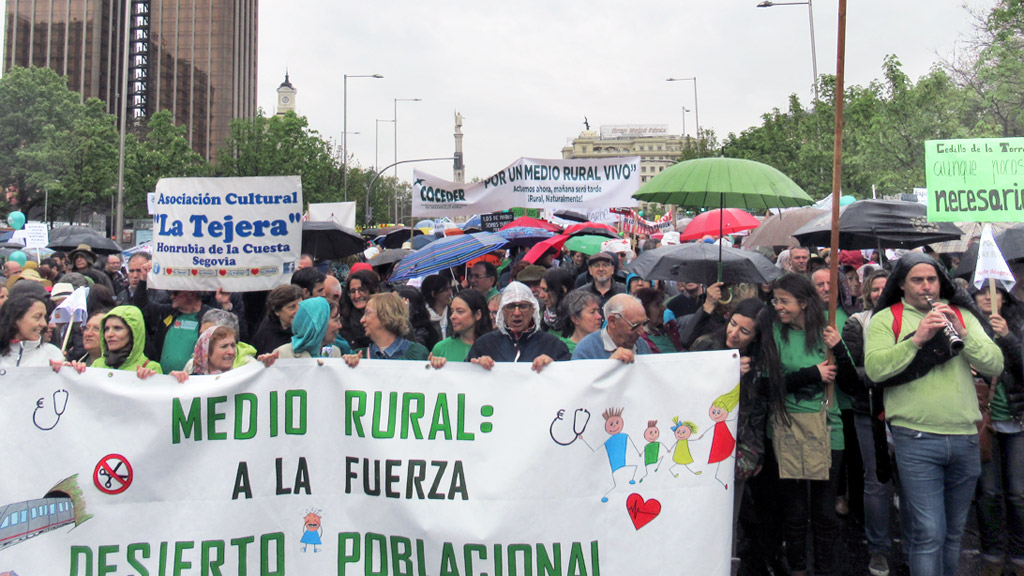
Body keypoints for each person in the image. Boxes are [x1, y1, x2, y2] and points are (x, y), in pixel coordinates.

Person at [865, 252, 1004, 576]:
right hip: (916, 438)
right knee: (929, 532)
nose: (927, 286)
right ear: (901, 284)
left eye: (932, 279)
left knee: (953, 533)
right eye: (917, 280)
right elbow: (875, 369)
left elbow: (995, 363)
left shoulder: (961, 314)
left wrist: (963, 334)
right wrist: (917, 339)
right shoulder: (888, 319)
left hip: (965, 436)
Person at [757, 272, 858, 576]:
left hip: (829, 429)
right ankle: (798, 567)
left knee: (825, 512)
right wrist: (811, 375)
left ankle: (825, 569)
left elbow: (852, 385)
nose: (778, 306)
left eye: (784, 301)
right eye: (775, 300)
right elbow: (766, 386)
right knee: (796, 509)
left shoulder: (827, 333)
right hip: (787, 428)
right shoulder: (774, 333)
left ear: (803, 303)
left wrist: (839, 347)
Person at [841, 268, 897, 576]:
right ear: (867, 292)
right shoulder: (857, 323)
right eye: (875, 289)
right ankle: (878, 549)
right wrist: (886, 370)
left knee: (911, 483)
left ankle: (918, 545)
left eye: (885, 288)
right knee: (876, 482)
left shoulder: (911, 320)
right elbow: (852, 372)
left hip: (908, 411)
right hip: (870, 411)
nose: (880, 293)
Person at [970, 284, 1024, 576]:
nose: (988, 298)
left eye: (994, 292)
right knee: (988, 492)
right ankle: (991, 554)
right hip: (983, 422)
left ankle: (1019, 556)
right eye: (981, 293)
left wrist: (1009, 337)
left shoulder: (1019, 324)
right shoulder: (967, 328)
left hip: (1017, 421)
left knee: (1018, 493)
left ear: (1005, 297)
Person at [466, 282, 570, 371]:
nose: (516, 313)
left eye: (523, 306)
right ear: (503, 311)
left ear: (533, 309)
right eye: (510, 306)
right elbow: (464, 380)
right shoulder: (484, 345)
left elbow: (570, 382)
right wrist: (476, 367)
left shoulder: (553, 345)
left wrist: (554, 367)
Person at [344, 293, 429, 362]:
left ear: (386, 316)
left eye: (368, 313)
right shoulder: (359, 356)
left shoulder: (418, 353)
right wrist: (349, 365)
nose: (362, 320)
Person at [573, 293, 651, 362]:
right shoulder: (586, 350)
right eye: (635, 326)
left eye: (643, 324)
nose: (641, 332)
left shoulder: (641, 345)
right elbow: (581, 378)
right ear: (612, 321)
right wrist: (610, 364)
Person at [260, 297, 343, 362]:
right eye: (336, 320)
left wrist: (351, 363)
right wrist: (266, 364)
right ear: (319, 324)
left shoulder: (335, 352)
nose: (340, 326)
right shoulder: (283, 354)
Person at [91, 306, 163, 378]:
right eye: (106, 329)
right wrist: (80, 373)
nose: (109, 334)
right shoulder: (97, 365)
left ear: (133, 333)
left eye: (117, 328)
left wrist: (149, 380)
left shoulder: (150, 368)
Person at [429, 289, 492, 367]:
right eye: (452, 311)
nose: (453, 316)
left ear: (478, 315)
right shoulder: (441, 348)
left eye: (460, 311)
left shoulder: (495, 346)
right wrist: (435, 365)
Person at [0, 295, 65, 367]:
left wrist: (73, 372)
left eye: (45, 317)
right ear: (15, 319)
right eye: (37, 317)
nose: (44, 324)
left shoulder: (52, 354)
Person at [170, 325, 243, 382]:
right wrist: (172, 381)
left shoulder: (243, 380)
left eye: (233, 346)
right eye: (224, 346)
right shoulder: (189, 381)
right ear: (206, 351)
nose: (231, 352)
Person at [251, 284, 304, 355]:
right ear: (277, 311)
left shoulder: (307, 330)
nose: (299, 311)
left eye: (301, 305)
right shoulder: (266, 331)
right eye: (292, 307)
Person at [339, 269, 380, 350]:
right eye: (353, 291)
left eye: (362, 289)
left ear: (374, 290)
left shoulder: (390, 318)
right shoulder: (344, 323)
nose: (357, 296)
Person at [635, 287, 683, 353]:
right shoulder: (638, 341)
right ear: (644, 309)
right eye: (657, 305)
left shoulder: (671, 328)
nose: (664, 309)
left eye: (662, 304)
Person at [539, 267, 574, 334]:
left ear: (563, 290)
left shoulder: (578, 319)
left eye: (546, 290)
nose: (541, 295)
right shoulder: (540, 315)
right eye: (541, 289)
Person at [420, 275, 452, 340]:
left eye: (450, 288)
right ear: (433, 293)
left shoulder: (453, 313)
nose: (450, 293)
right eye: (446, 290)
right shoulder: (422, 317)